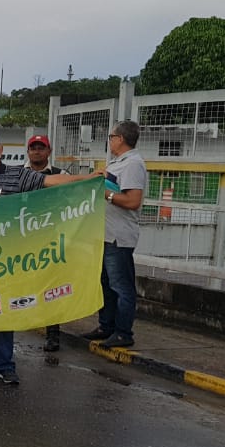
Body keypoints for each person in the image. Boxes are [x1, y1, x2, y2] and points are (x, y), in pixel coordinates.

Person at [0, 129, 88, 385]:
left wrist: (89, 179)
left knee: (1, 312)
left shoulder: (17, 176)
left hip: (4, 263)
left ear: (0, 150)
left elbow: (51, 182)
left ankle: (5, 365)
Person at [83, 121, 147, 349]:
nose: (109, 141)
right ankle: (106, 326)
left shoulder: (133, 165)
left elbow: (132, 200)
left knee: (121, 285)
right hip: (105, 235)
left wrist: (106, 194)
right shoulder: (118, 163)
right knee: (105, 284)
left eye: (111, 137)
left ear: (120, 139)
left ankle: (123, 332)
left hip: (119, 238)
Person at [24, 133, 66, 352]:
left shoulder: (61, 175)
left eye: (41, 147)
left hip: (51, 241)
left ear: (49, 151)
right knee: (20, 287)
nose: (37, 151)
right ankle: (18, 324)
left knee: (52, 290)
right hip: (23, 241)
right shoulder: (17, 175)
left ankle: (53, 336)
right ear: (28, 151)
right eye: (33, 148)